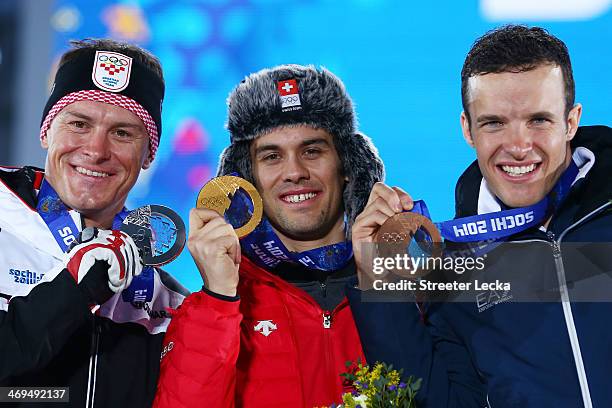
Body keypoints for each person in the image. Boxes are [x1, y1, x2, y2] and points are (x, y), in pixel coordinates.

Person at [349, 25, 612, 407]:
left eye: (538, 120)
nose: (519, 146)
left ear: (571, 121)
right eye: (494, 123)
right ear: (467, 129)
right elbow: (437, 400)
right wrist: (379, 279)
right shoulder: (457, 267)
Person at [153, 65, 385, 407]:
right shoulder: (214, 306)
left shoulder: (403, 284)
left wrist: (386, 280)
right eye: (272, 156)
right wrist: (218, 298)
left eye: (312, 151)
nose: (294, 172)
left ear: (348, 167)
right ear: (247, 179)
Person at [0, 39, 188, 407]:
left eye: (122, 133)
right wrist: (74, 290)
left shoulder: (163, 298)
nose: (97, 150)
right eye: (79, 124)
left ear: (148, 154)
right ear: (45, 132)